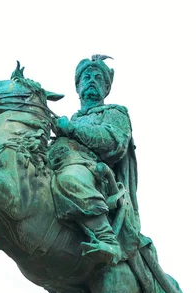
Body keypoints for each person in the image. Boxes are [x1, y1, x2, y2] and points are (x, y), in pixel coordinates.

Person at [50, 54, 144, 267]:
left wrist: (72, 130)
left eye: (98, 78)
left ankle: (107, 240)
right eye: (87, 77)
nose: (92, 80)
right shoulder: (69, 120)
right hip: (60, 165)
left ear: (106, 88)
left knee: (70, 180)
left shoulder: (115, 112)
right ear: (78, 86)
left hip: (94, 174)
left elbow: (114, 143)